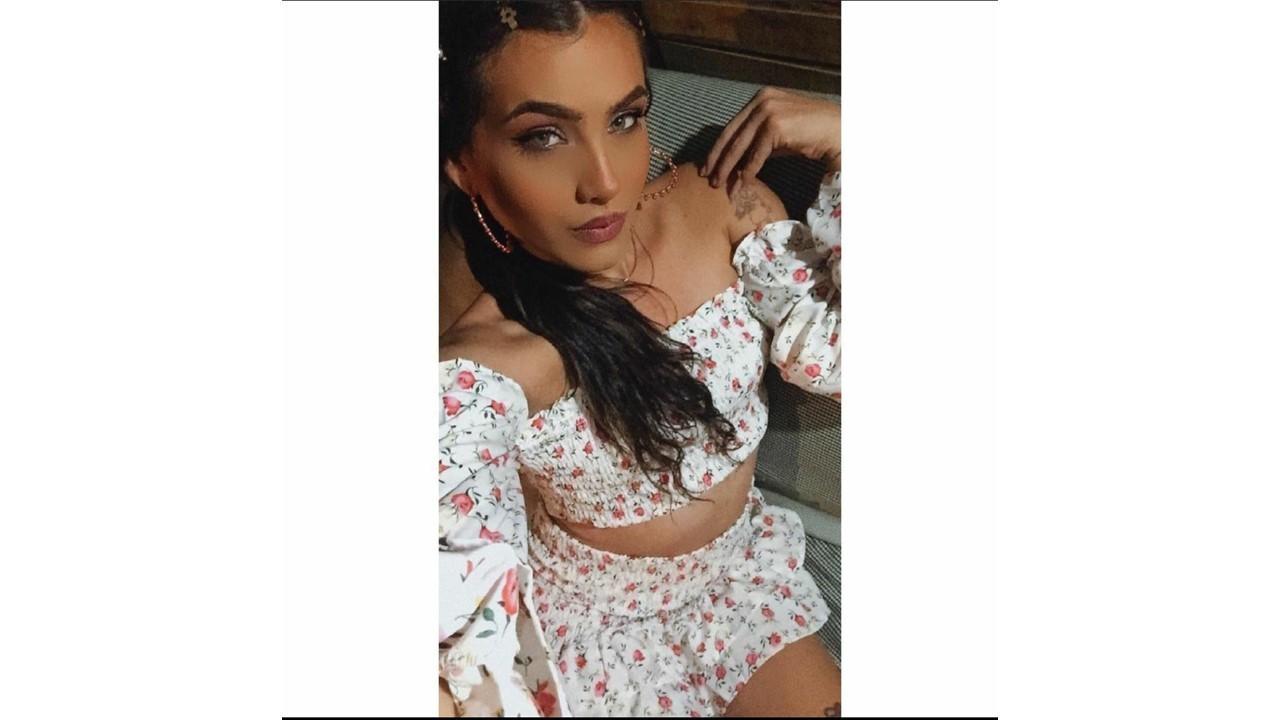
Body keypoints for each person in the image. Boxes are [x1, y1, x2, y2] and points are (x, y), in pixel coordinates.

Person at [437, 1, 842, 716]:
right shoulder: (484, 367)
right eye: (543, 136)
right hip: (587, 634)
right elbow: (461, 616)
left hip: (739, 589)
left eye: (625, 118)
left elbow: (841, 361)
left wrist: (853, 140)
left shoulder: (723, 204)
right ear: (466, 167)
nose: (604, 181)